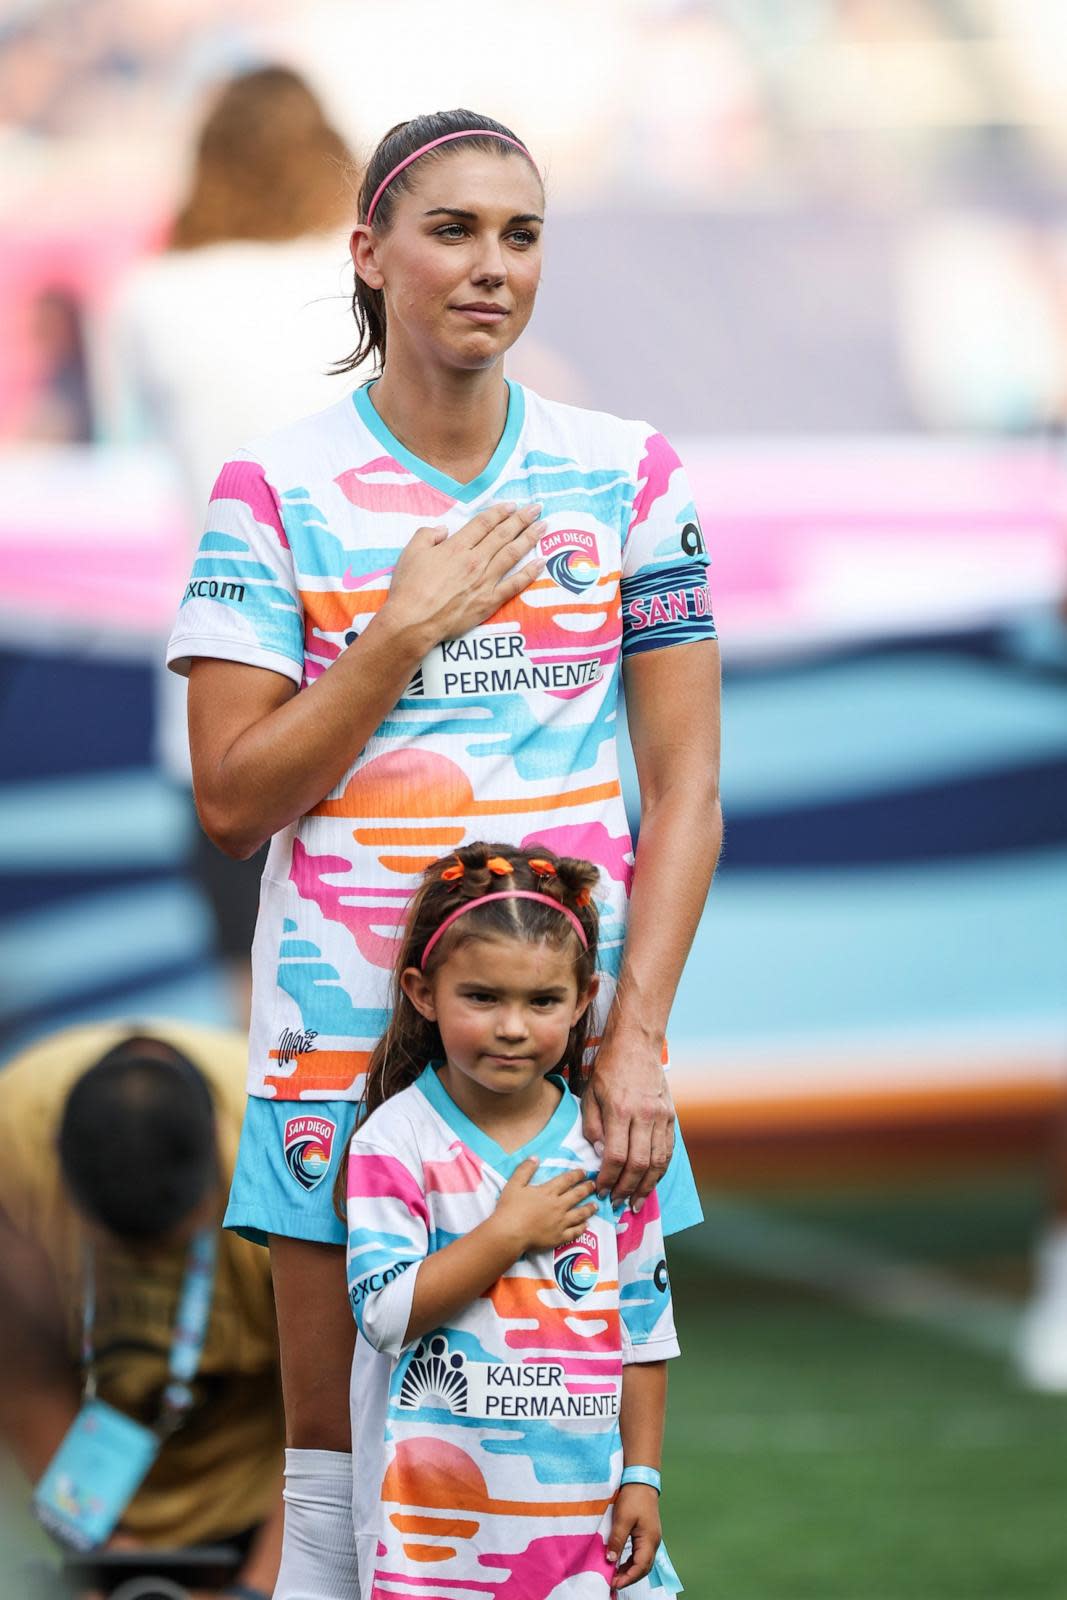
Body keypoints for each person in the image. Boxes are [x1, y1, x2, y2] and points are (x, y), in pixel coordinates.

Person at [167, 107, 721, 1600]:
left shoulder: (626, 476)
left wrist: (636, 1040)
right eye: (453, 229)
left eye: (521, 234)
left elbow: (684, 792)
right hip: (333, 1052)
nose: (492, 266)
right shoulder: (270, 491)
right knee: (337, 1489)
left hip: (561, 1052)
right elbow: (230, 801)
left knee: (578, 1478)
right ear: (369, 253)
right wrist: (400, 634)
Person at [96, 65, 362, 1018]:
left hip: (224, 669)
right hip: (377, 656)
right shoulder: (369, 277)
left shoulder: (147, 299)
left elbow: (127, 436)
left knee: (249, 1001)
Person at [345, 842, 681, 1596]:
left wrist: (643, 1476)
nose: (512, 1027)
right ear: (422, 992)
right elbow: (384, 1315)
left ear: (583, 998)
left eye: (541, 1002)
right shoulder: (394, 1143)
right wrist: (506, 1235)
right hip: (434, 1534)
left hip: (582, 1531)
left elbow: (644, 1328)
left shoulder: (609, 1147)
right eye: (482, 997)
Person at [0, 1022, 285, 1599]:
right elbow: (24, 1373)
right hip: (87, 1506)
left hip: (266, 1503)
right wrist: (98, 1554)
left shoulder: (288, 1160)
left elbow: (336, 1420)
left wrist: (255, 1590)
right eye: (121, 1250)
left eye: (170, 1246)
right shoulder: (13, 1145)